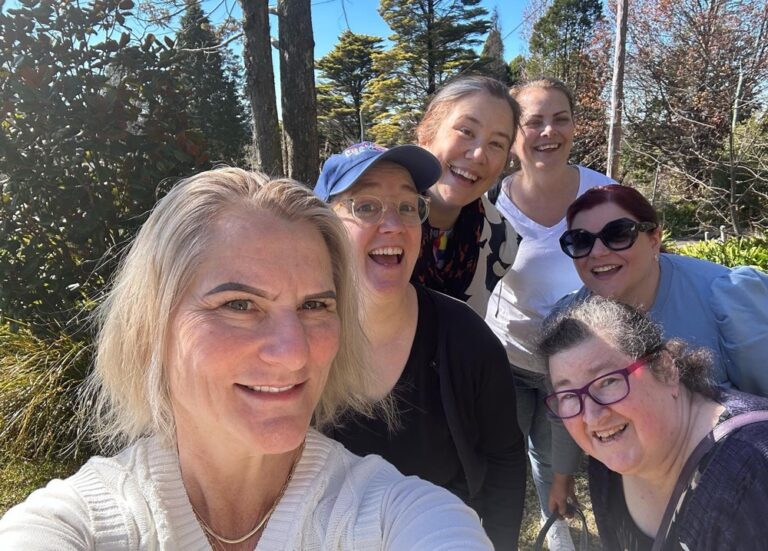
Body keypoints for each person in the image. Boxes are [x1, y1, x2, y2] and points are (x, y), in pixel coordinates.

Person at [0, 168, 495, 550]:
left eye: (315, 306)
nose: (294, 351)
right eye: (239, 305)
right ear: (150, 327)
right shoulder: (75, 523)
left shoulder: (396, 514)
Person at [315, 142, 527, 549]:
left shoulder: (466, 337)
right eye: (366, 206)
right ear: (325, 226)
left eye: (408, 206)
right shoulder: (296, 338)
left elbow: (504, 457)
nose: (393, 223)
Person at [482, 77, 616, 547]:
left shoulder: (605, 198)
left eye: (560, 119)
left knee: (555, 466)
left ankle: (559, 537)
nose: (547, 132)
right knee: (499, 462)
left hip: (574, 366)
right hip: (505, 362)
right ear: (515, 133)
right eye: (533, 121)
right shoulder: (489, 205)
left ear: (575, 127)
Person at [539, 296, 768, 550]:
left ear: (666, 369)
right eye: (569, 396)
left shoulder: (753, 478)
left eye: (608, 381)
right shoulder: (606, 466)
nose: (592, 416)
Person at [557, 184, 768, 396]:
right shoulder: (568, 319)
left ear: (654, 239)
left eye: (618, 234)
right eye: (581, 240)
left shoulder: (729, 298)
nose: (598, 252)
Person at [411, 75, 521, 316]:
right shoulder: (367, 220)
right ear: (427, 132)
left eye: (496, 144)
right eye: (466, 131)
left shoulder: (500, 241)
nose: (479, 154)